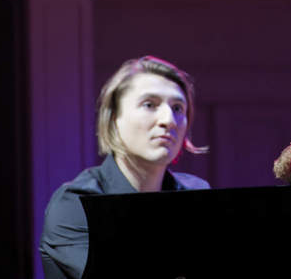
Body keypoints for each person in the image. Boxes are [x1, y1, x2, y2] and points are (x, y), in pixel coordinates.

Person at [39, 56, 210, 279]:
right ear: (113, 119)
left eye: (178, 108)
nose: (169, 120)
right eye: (149, 105)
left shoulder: (196, 194)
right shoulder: (77, 203)